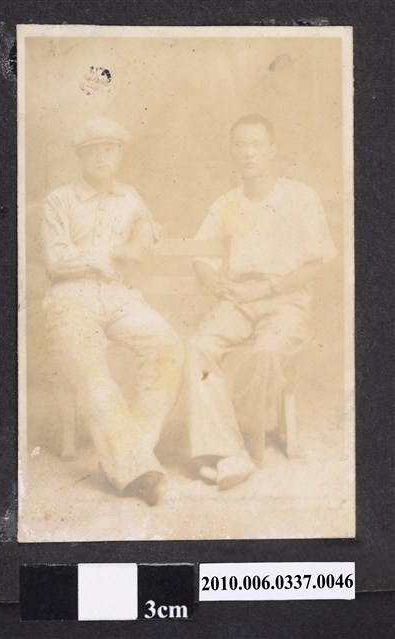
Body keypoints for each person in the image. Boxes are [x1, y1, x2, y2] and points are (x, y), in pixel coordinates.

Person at [186, 113, 336, 489]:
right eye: (241, 145)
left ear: (272, 151)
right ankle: (230, 452)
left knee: (266, 351)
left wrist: (267, 290)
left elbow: (315, 263)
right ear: (232, 152)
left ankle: (239, 449)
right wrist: (218, 284)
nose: (248, 153)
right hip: (238, 299)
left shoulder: (300, 197)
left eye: (256, 145)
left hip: (286, 299)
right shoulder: (227, 203)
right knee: (199, 346)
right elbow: (201, 256)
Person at [42, 115, 184, 505]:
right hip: (70, 297)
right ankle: (137, 470)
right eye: (94, 151)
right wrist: (113, 252)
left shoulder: (129, 197)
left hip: (117, 296)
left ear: (119, 155)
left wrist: (146, 230)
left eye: (110, 150)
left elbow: (148, 230)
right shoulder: (60, 199)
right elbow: (56, 260)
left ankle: (128, 454)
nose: (103, 158)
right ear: (80, 157)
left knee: (168, 347)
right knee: (90, 365)